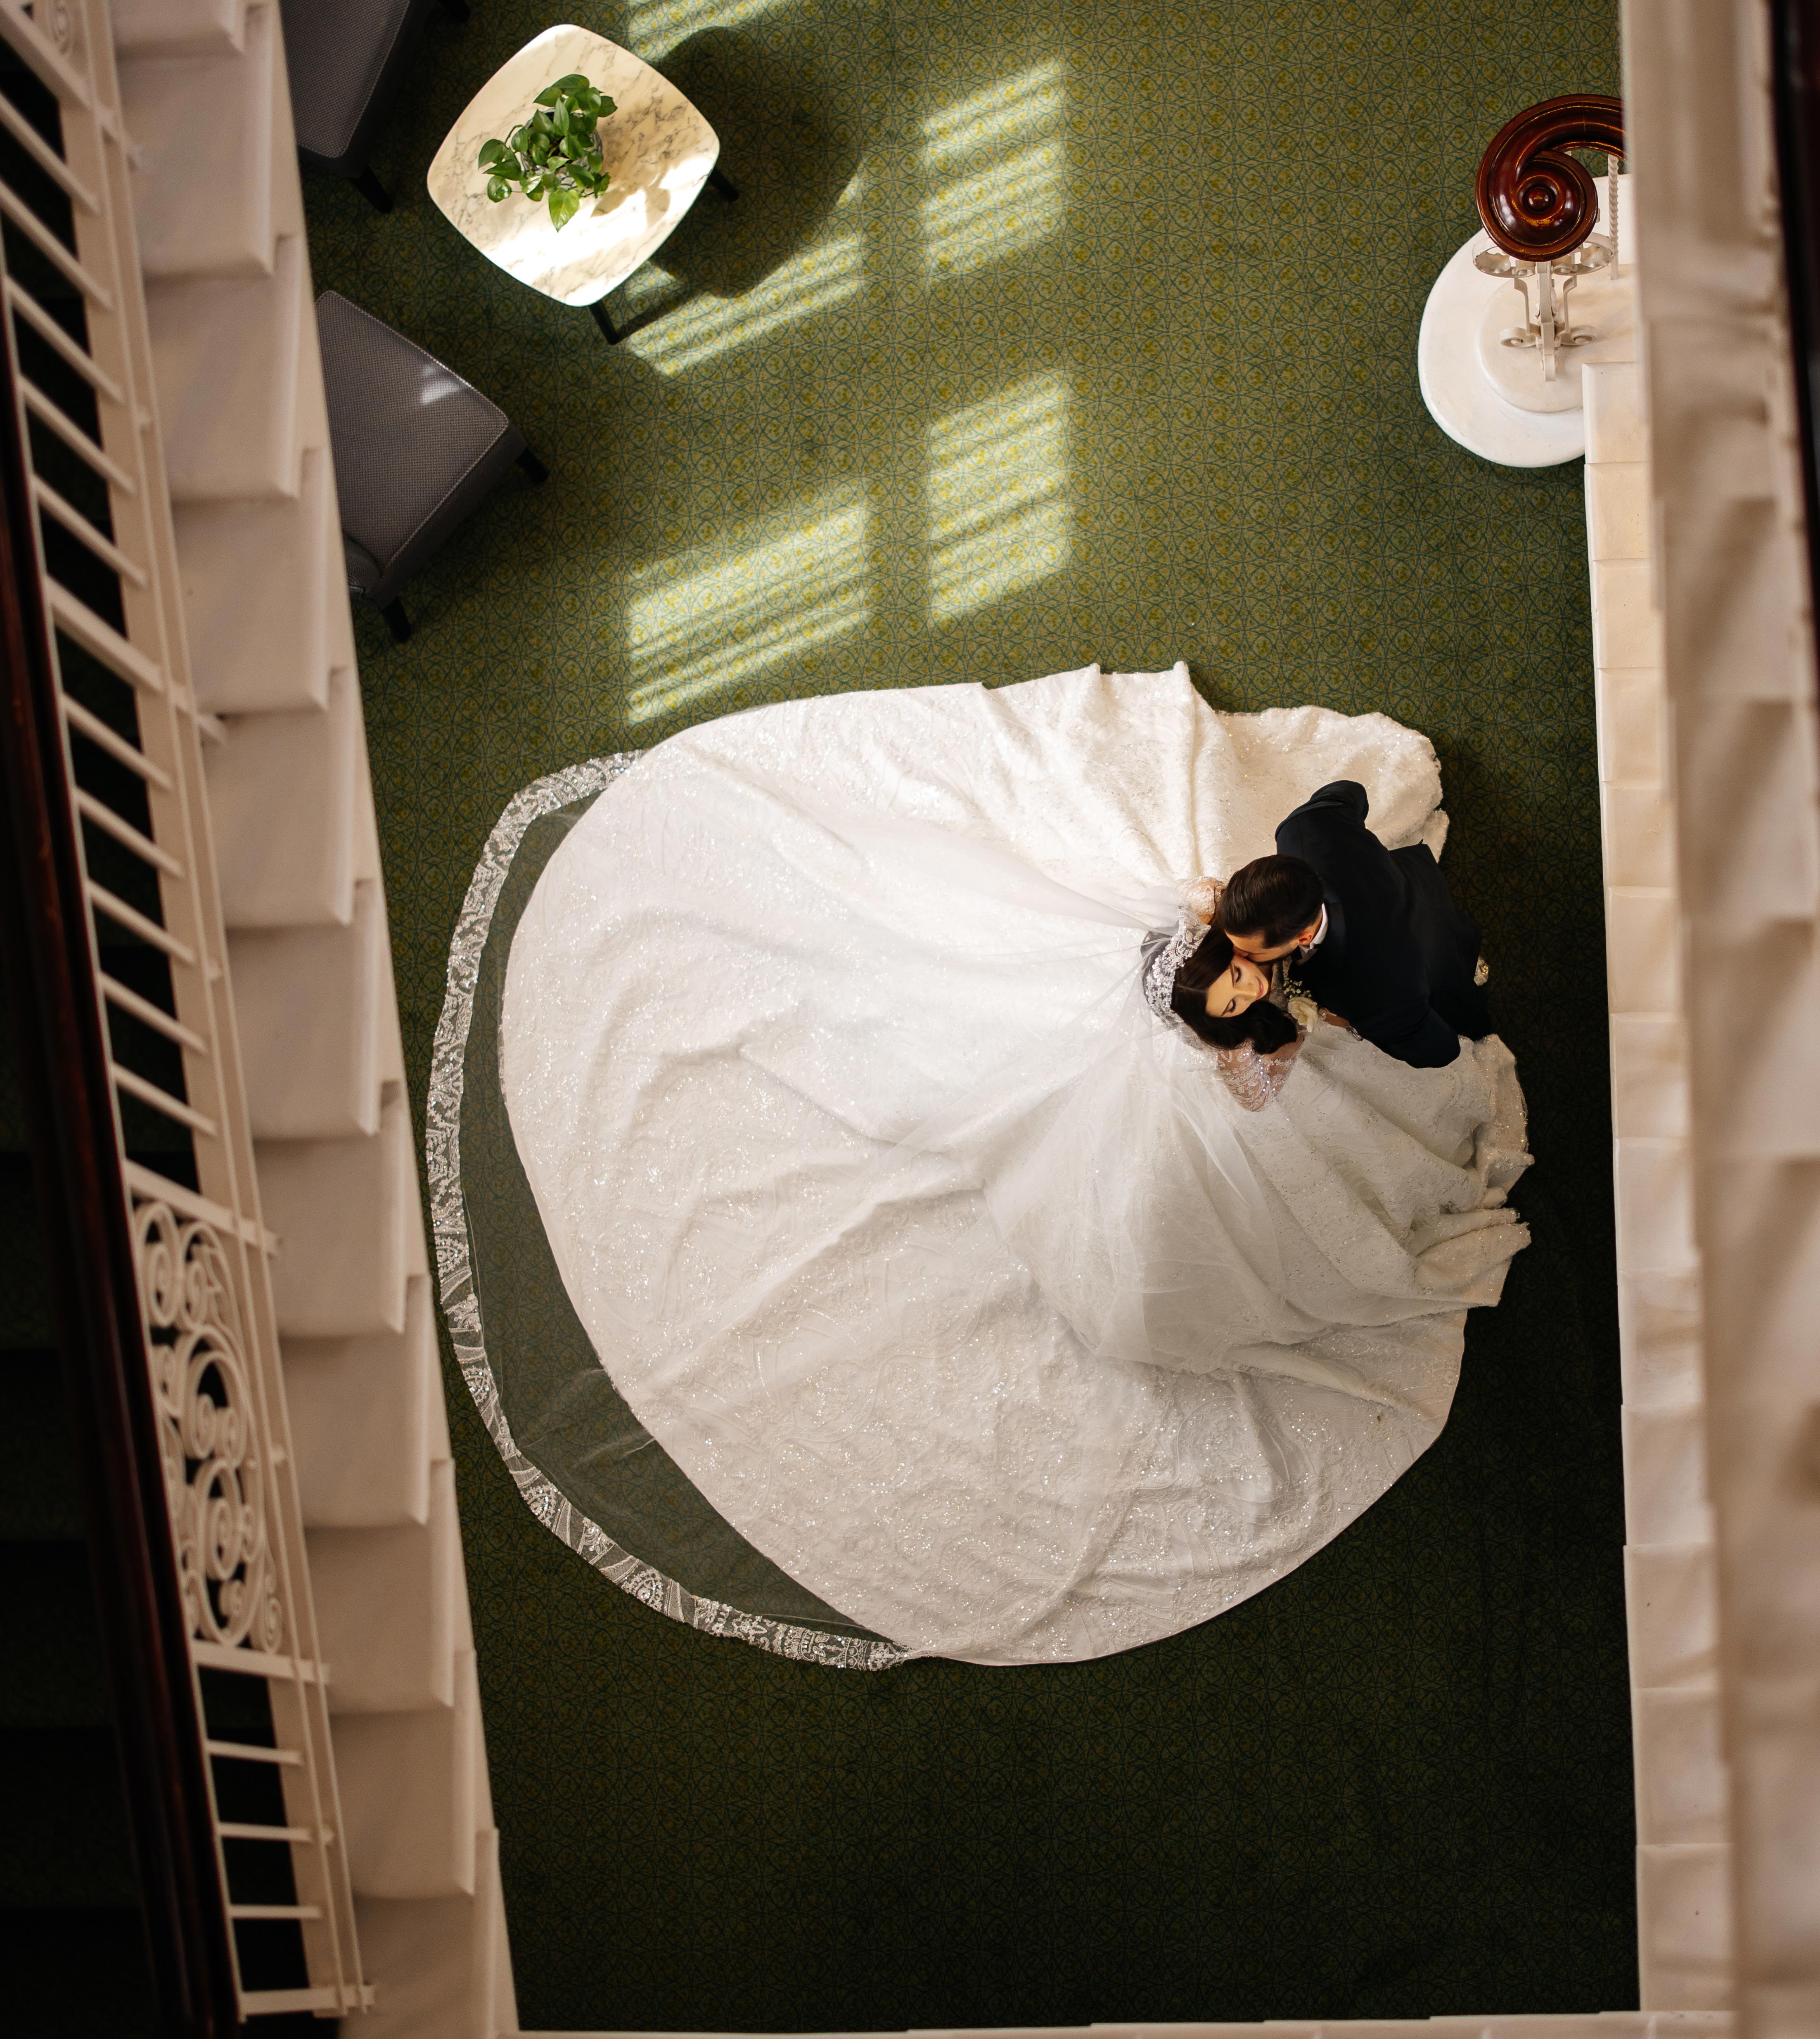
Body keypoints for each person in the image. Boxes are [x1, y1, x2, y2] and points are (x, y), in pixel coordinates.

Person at [487, 665, 1531, 1665]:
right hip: (1200, 1095)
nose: (1248, 982)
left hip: (1228, 1008)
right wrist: (1283, 1035)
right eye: (1241, 980)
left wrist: (1281, 995)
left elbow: (1276, 890)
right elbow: (1257, 1083)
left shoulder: (1232, 919)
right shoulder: (1238, 1013)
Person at [1218, 784, 1492, 1071]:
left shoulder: (1373, 997)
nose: (1236, 954)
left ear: (1304, 936)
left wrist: (1349, 1021)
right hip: (1418, 880)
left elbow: (1441, 1052)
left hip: (1444, 950)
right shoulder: (1303, 828)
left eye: (1250, 951)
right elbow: (1350, 792)